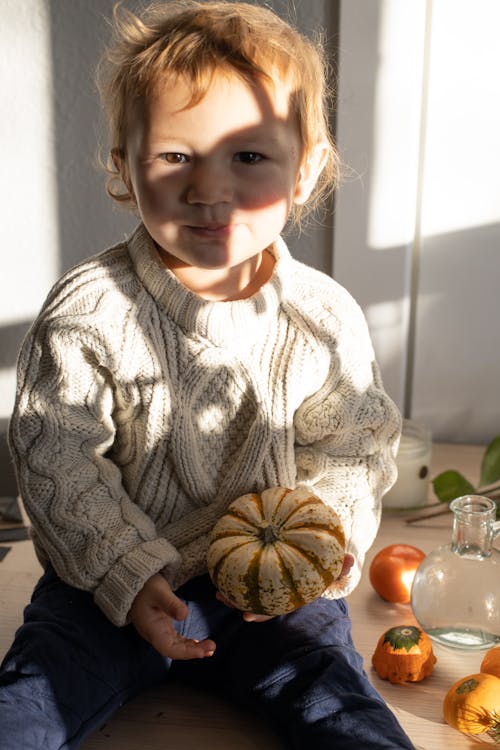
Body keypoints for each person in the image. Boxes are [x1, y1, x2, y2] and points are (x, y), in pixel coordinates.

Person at [0, 2, 415, 748]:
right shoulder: (90, 310)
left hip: (271, 597)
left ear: (306, 168)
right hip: (110, 585)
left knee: (347, 717)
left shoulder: (322, 316)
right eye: (174, 157)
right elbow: (56, 457)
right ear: (125, 167)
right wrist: (124, 574)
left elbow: (352, 449)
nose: (208, 188)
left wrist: (322, 547)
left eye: (248, 157)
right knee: (25, 711)